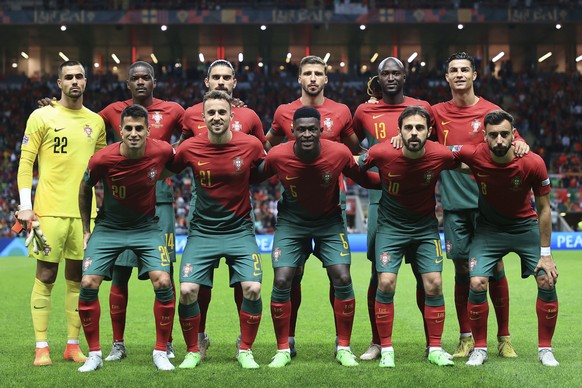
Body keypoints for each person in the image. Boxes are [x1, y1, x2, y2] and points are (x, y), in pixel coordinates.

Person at [260, 106, 381, 368]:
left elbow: (363, 179)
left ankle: (344, 347)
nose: (306, 134)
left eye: (311, 129)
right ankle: (283, 348)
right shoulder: (278, 155)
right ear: (292, 131)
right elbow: (253, 176)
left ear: (321, 130)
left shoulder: (338, 152)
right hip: (292, 223)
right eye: (301, 129)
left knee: (343, 276)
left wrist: (398, 180)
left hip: (329, 222)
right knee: (282, 279)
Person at [431, 52, 528, 358]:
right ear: (446, 77)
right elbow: (413, 134)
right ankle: (465, 338)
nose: (459, 74)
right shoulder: (435, 113)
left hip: (489, 206)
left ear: (474, 75)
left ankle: (503, 338)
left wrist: (522, 144)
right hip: (454, 206)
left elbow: (516, 142)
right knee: (462, 270)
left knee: (495, 268)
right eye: (453, 70)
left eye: (464, 70)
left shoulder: (491, 111)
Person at [265, 55, 361, 357]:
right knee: (291, 275)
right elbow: (267, 145)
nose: (313, 78)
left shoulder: (341, 111)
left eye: (318, 73)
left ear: (326, 78)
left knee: (340, 274)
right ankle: (288, 340)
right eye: (307, 73)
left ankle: (341, 342)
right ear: (299, 78)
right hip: (294, 203)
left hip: (332, 201)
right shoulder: (284, 112)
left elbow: (355, 150)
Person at [16, 60, 106, 366]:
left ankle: (72, 344)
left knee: (79, 280)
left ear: (86, 81)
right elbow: (26, 162)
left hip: (85, 216)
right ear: (59, 83)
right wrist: (26, 207)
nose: (75, 81)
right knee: (46, 275)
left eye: (80, 76)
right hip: (49, 212)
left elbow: (104, 168)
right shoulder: (42, 116)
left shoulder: (96, 122)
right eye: (69, 77)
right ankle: (42, 346)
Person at [452, 110, 559, 367]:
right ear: (485, 137)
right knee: (476, 282)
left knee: (547, 279)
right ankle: (480, 348)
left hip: (524, 228)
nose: (499, 140)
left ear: (514, 135)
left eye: (504, 134)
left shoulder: (532, 162)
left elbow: (544, 209)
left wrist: (546, 254)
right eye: (493, 135)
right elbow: (438, 151)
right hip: (488, 230)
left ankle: (545, 349)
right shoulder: (474, 154)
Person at [76, 104, 176, 372]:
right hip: (109, 228)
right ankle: (94, 354)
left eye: (139, 129)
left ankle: (160, 351)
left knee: (163, 280)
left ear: (148, 130)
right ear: (120, 130)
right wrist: (87, 230)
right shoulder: (102, 159)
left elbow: (178, 163)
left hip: (147, 227)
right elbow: (85, 189)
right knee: (88, 282)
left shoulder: (162, 150)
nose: (133, 133)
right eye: (128, 129)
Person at [170, 90, 265, 369]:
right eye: (210, 112)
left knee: (253, 288)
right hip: (202, 233)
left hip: (240, 231)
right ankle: (193, 350)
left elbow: (272, 166)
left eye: (222, 112)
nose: (216, 117)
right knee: (187, 290)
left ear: (231, 115)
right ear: (203, 117)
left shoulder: (250, 145)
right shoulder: (190, 148)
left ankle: (245, 349)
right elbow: (164, 167)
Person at [359, 106, 458, 368]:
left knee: (434, 283)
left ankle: (435, 348)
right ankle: (387, 349)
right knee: (386, 283)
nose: (414, 133)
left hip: (425, 229)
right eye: (408, 128)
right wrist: (375, 182)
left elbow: (473, 159)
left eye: (419, 128)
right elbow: (352, 165)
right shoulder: (381, 152)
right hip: (390, 229)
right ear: (399, 132)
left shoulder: (441, 153)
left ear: (428, 131)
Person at [98, 61, 184, 362]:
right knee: (119, 275)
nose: (141, 82)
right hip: (122, 207)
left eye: (146, 77)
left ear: (154, 81)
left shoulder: (173, 110)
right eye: (135, 78)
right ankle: (118, 344)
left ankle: (167, 342)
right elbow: (84, 127)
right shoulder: (112, 111)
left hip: (160, 202)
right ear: (128, 84)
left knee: (165, 275)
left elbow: (198, 130)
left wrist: (166, 167)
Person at [352, 56, 435, 361]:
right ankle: (377, 341)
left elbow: (435, 146)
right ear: (378, 77)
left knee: (425, 274)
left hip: (418, 199)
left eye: (395, 73)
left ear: (404, 76)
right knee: (379, 272)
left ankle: (432, 343)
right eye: (385, 73)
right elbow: (353, 148)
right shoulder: (364, 110)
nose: (390, 77)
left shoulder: (421, 108)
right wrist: (377, 173)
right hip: (380, 200)